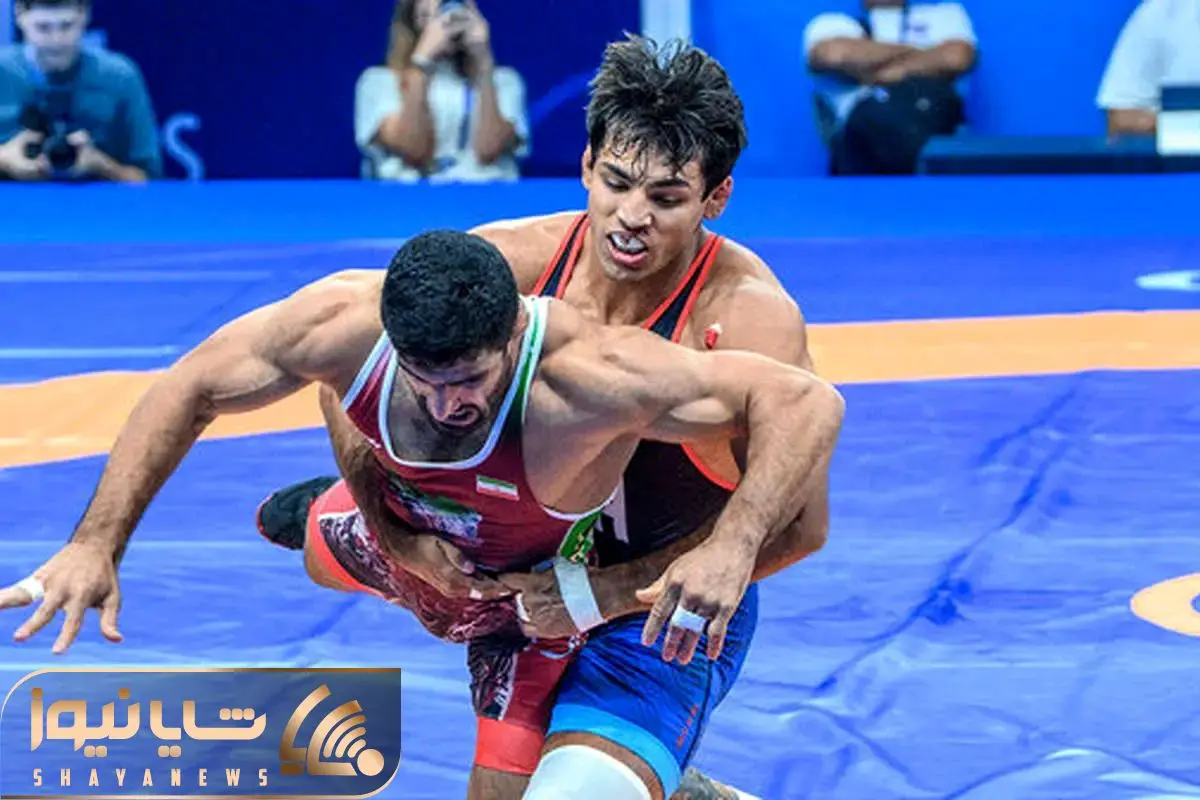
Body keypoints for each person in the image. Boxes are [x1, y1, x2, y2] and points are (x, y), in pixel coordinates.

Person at [0, 229, 844, 798]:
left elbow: (807, 403)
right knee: (324, 545)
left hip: (532, 606)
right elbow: (190, 385)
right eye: (425, 382)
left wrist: (733, 544)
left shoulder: (590, 373)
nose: (448, 405)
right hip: (421, 544)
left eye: (470, 381)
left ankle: (657, 781)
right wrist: (95, 543)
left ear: (510, 336)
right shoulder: (345, 323)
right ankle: (334, 515)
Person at [259, 35, 839, 800]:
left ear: (715, 197)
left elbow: (802, 526)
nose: (631, 218)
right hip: (509, 560)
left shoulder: (748, 321)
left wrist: (611, 592)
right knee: (315, 539)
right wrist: (396, 533)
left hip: (650, 605)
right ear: (587, 164)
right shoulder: (507, 266)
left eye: (666, 197)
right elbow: (347, 367)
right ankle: (344, 513)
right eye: (617, 183)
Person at [355, 0, 529, 182]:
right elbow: (414, 151)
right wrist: (422, 62)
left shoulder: (505, 81)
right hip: (409, 195)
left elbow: (489, 150)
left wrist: (483, 62)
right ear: (415, 16)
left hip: (486, 192)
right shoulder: (378, 82)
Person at [0, 0, 162, 182]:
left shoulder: (120, 77)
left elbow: (150, 181)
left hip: (98, 200)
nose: (56, 40)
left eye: (67, 26)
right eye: (43, 28)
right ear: (20, 15)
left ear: (84, 15)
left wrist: (101, 165)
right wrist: (4, 159)